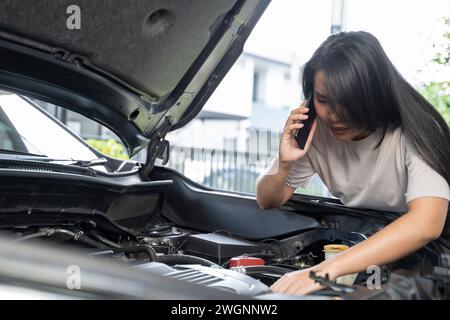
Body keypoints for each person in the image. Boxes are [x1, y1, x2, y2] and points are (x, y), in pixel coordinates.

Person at [255, 31, 450, 295]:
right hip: (363, 246)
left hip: (433, 258)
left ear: (374, 94)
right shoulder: (316, 131)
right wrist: (284, 162)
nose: (334, 116)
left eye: (347, 103)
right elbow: (267, 200)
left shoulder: (417, 129)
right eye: (323, 100)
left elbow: (426, 224)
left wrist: (326, 271)